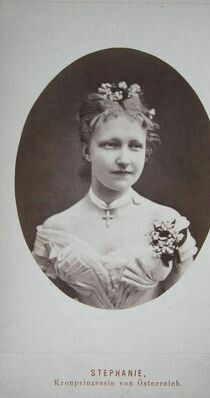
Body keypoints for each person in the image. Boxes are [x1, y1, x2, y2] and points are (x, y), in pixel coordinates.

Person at [32, 81, 197, 309]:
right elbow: (42, 310)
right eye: (111, 145)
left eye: (135, 146)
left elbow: (186, 309)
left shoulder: (168, 221)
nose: (124, 160)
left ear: (146, 152)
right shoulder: (55, 229)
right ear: (86, 151)